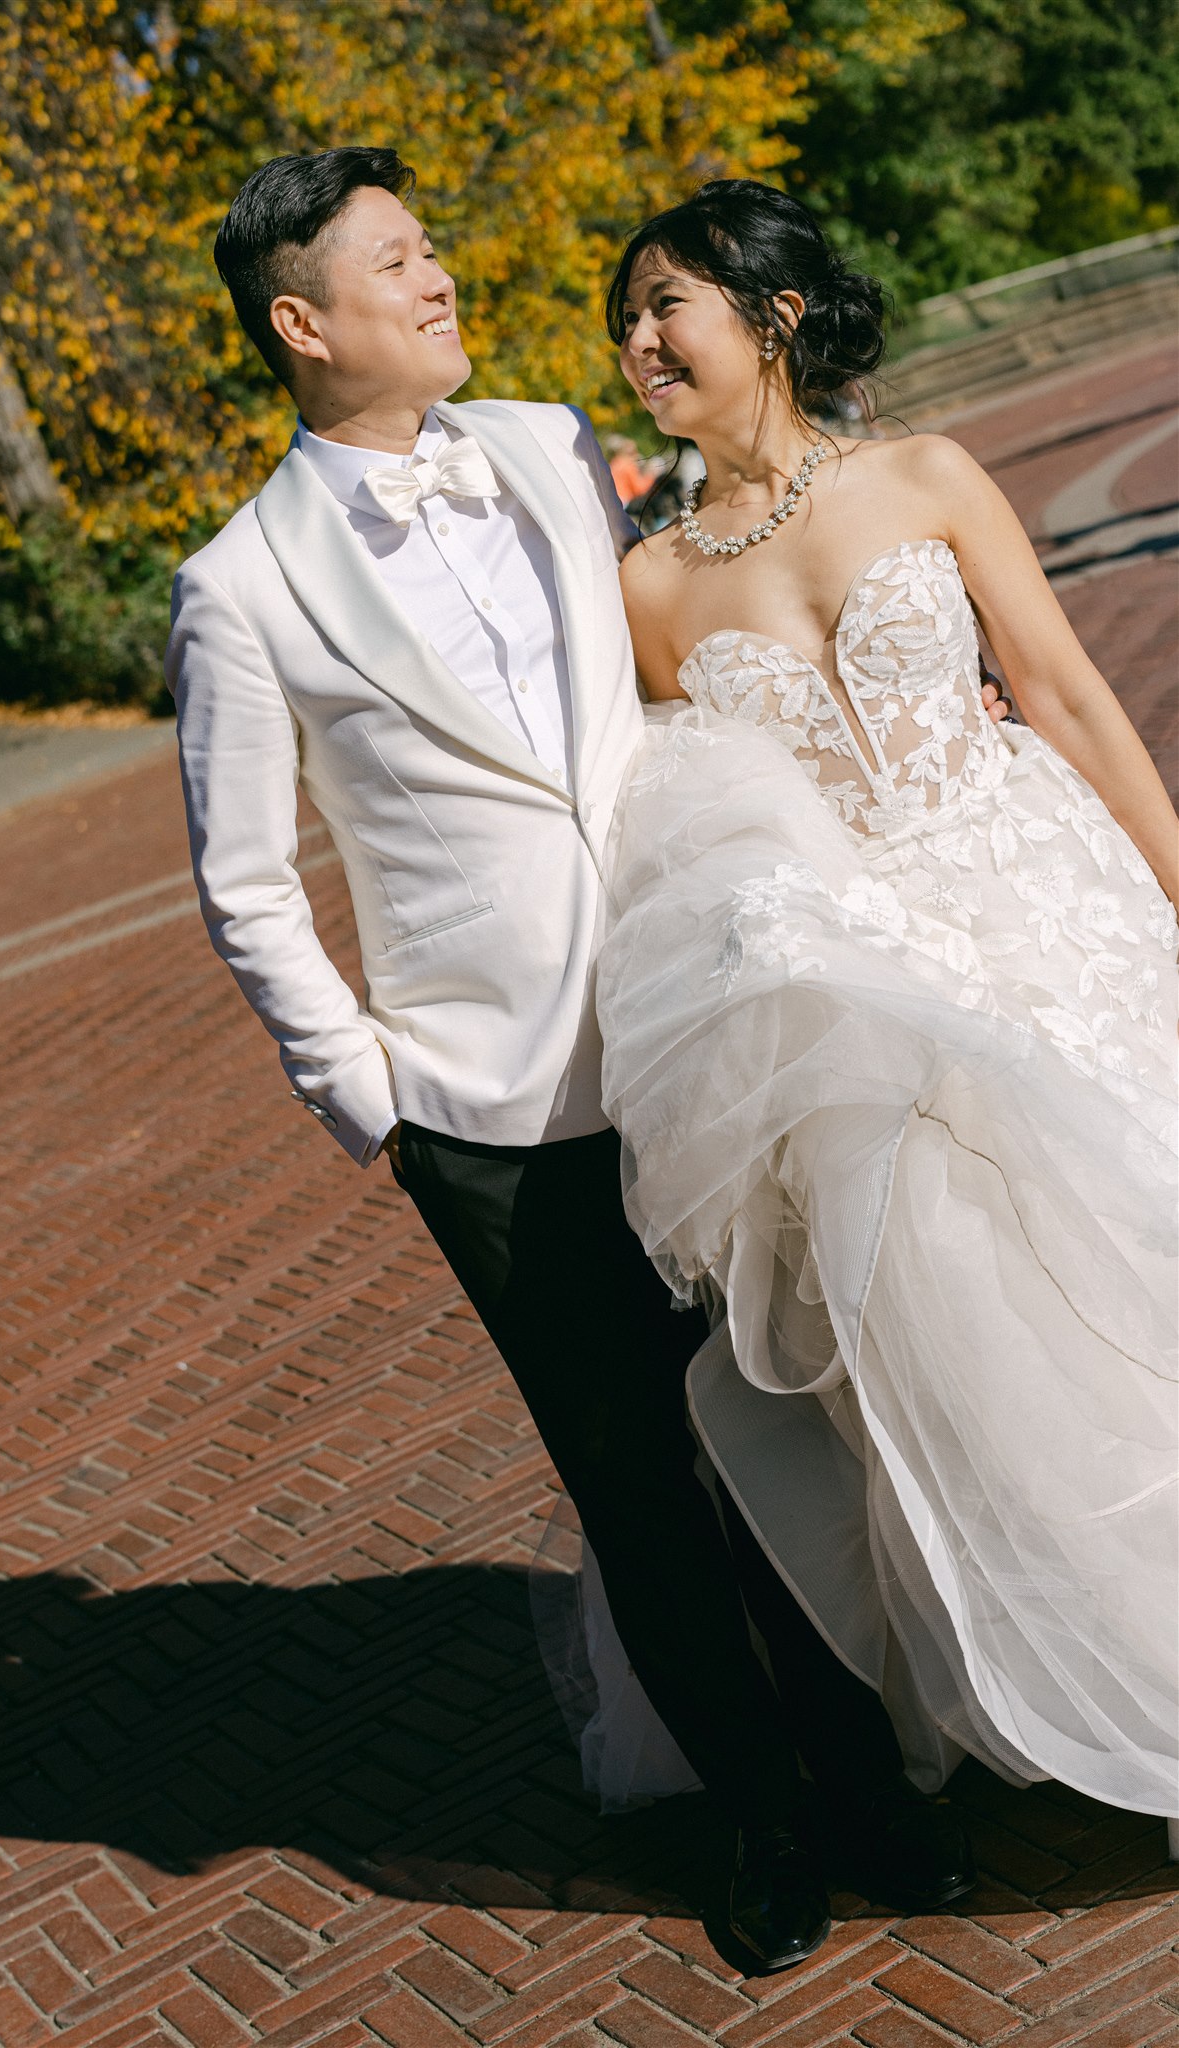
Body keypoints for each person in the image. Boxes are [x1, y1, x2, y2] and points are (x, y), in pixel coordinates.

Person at [167, 147, 1011, 1973]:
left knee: (780, 1430)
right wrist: (373, 1096)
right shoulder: (237, 587)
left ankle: (874, 1784)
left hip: (691, 1023)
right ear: (303, 321)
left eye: (432, 244)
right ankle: (767, 1823)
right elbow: (243, 881)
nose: (441, 276)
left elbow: (724, 609)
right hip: (481, 1106)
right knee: (635, 1477)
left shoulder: (557, 447)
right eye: (399, 262)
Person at [596, 180, 1178, 1831]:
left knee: (1145, 1256)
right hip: (867, 993)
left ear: (767, 315)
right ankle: (1074, 1675)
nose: (639, 343)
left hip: (1042, 913)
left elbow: (1060, 690)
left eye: (665, 305)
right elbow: (693, 825)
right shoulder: (644, 590)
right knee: (971, 1332)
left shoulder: (924, 475)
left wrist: (1176, 893)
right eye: (625, 322)